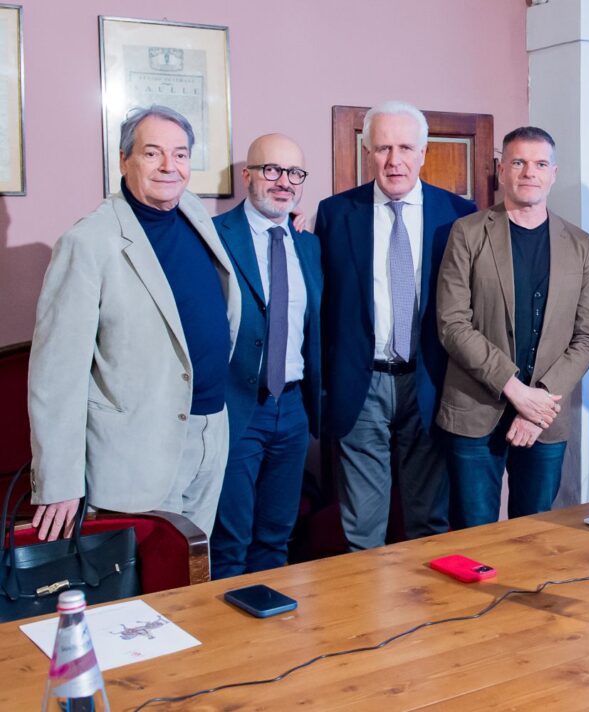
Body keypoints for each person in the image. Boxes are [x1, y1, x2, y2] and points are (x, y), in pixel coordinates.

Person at [28, 105, 240, 539]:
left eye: (180, 155)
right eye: (152, 154)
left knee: (193, 577)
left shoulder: (194, 213)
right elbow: (56, 375)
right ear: (124, 160)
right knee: (139, 591)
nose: (169, 167)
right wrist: (59, 482)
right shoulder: (88, 243)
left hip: (209, 431)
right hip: (136, 448)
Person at [315, 101, 476, 550]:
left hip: (430, 381)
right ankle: (366, 618)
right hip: (361, 386)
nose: (394, 160)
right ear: (367, 152)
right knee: (360, 529)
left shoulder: (460, 215)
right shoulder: (334, 215)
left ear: (424, 152)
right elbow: (324, 306)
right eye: (383, 148)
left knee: (429, 522)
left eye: (405, 147)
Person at [437, 126, 589, 528]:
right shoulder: (468, 233)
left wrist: (537, 401)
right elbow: (452, 323)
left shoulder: (580, 244)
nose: (530, 172)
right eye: (519, 162)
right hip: (475, 410)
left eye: (540, 163)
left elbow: (586, 337)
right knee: (473, 538)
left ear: (554, 173)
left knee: (535, 536)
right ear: (501, 170)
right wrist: (515, 390)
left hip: (545, 415)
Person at [210, 134, 322, 578]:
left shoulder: (308, 243)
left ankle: (267, 638)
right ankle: (227, 642)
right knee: (230, 540)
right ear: (248, 175)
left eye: (294, 173)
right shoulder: (215, 237)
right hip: (237, 406)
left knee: (277, 537)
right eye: (271, 170)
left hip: (292, 409)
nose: (284, 183)